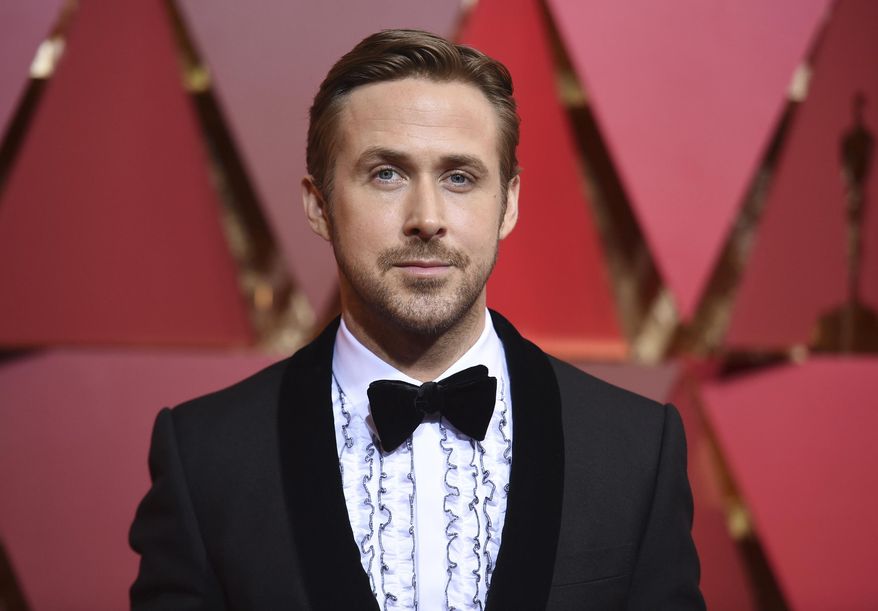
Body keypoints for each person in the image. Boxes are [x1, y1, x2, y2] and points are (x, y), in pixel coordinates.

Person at [129, 29, 704, 610]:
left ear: (508, 204)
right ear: (318, 206)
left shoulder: (636, 450)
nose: (426, 218)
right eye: (387, 174)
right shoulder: (205, 456)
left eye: (459, 177)